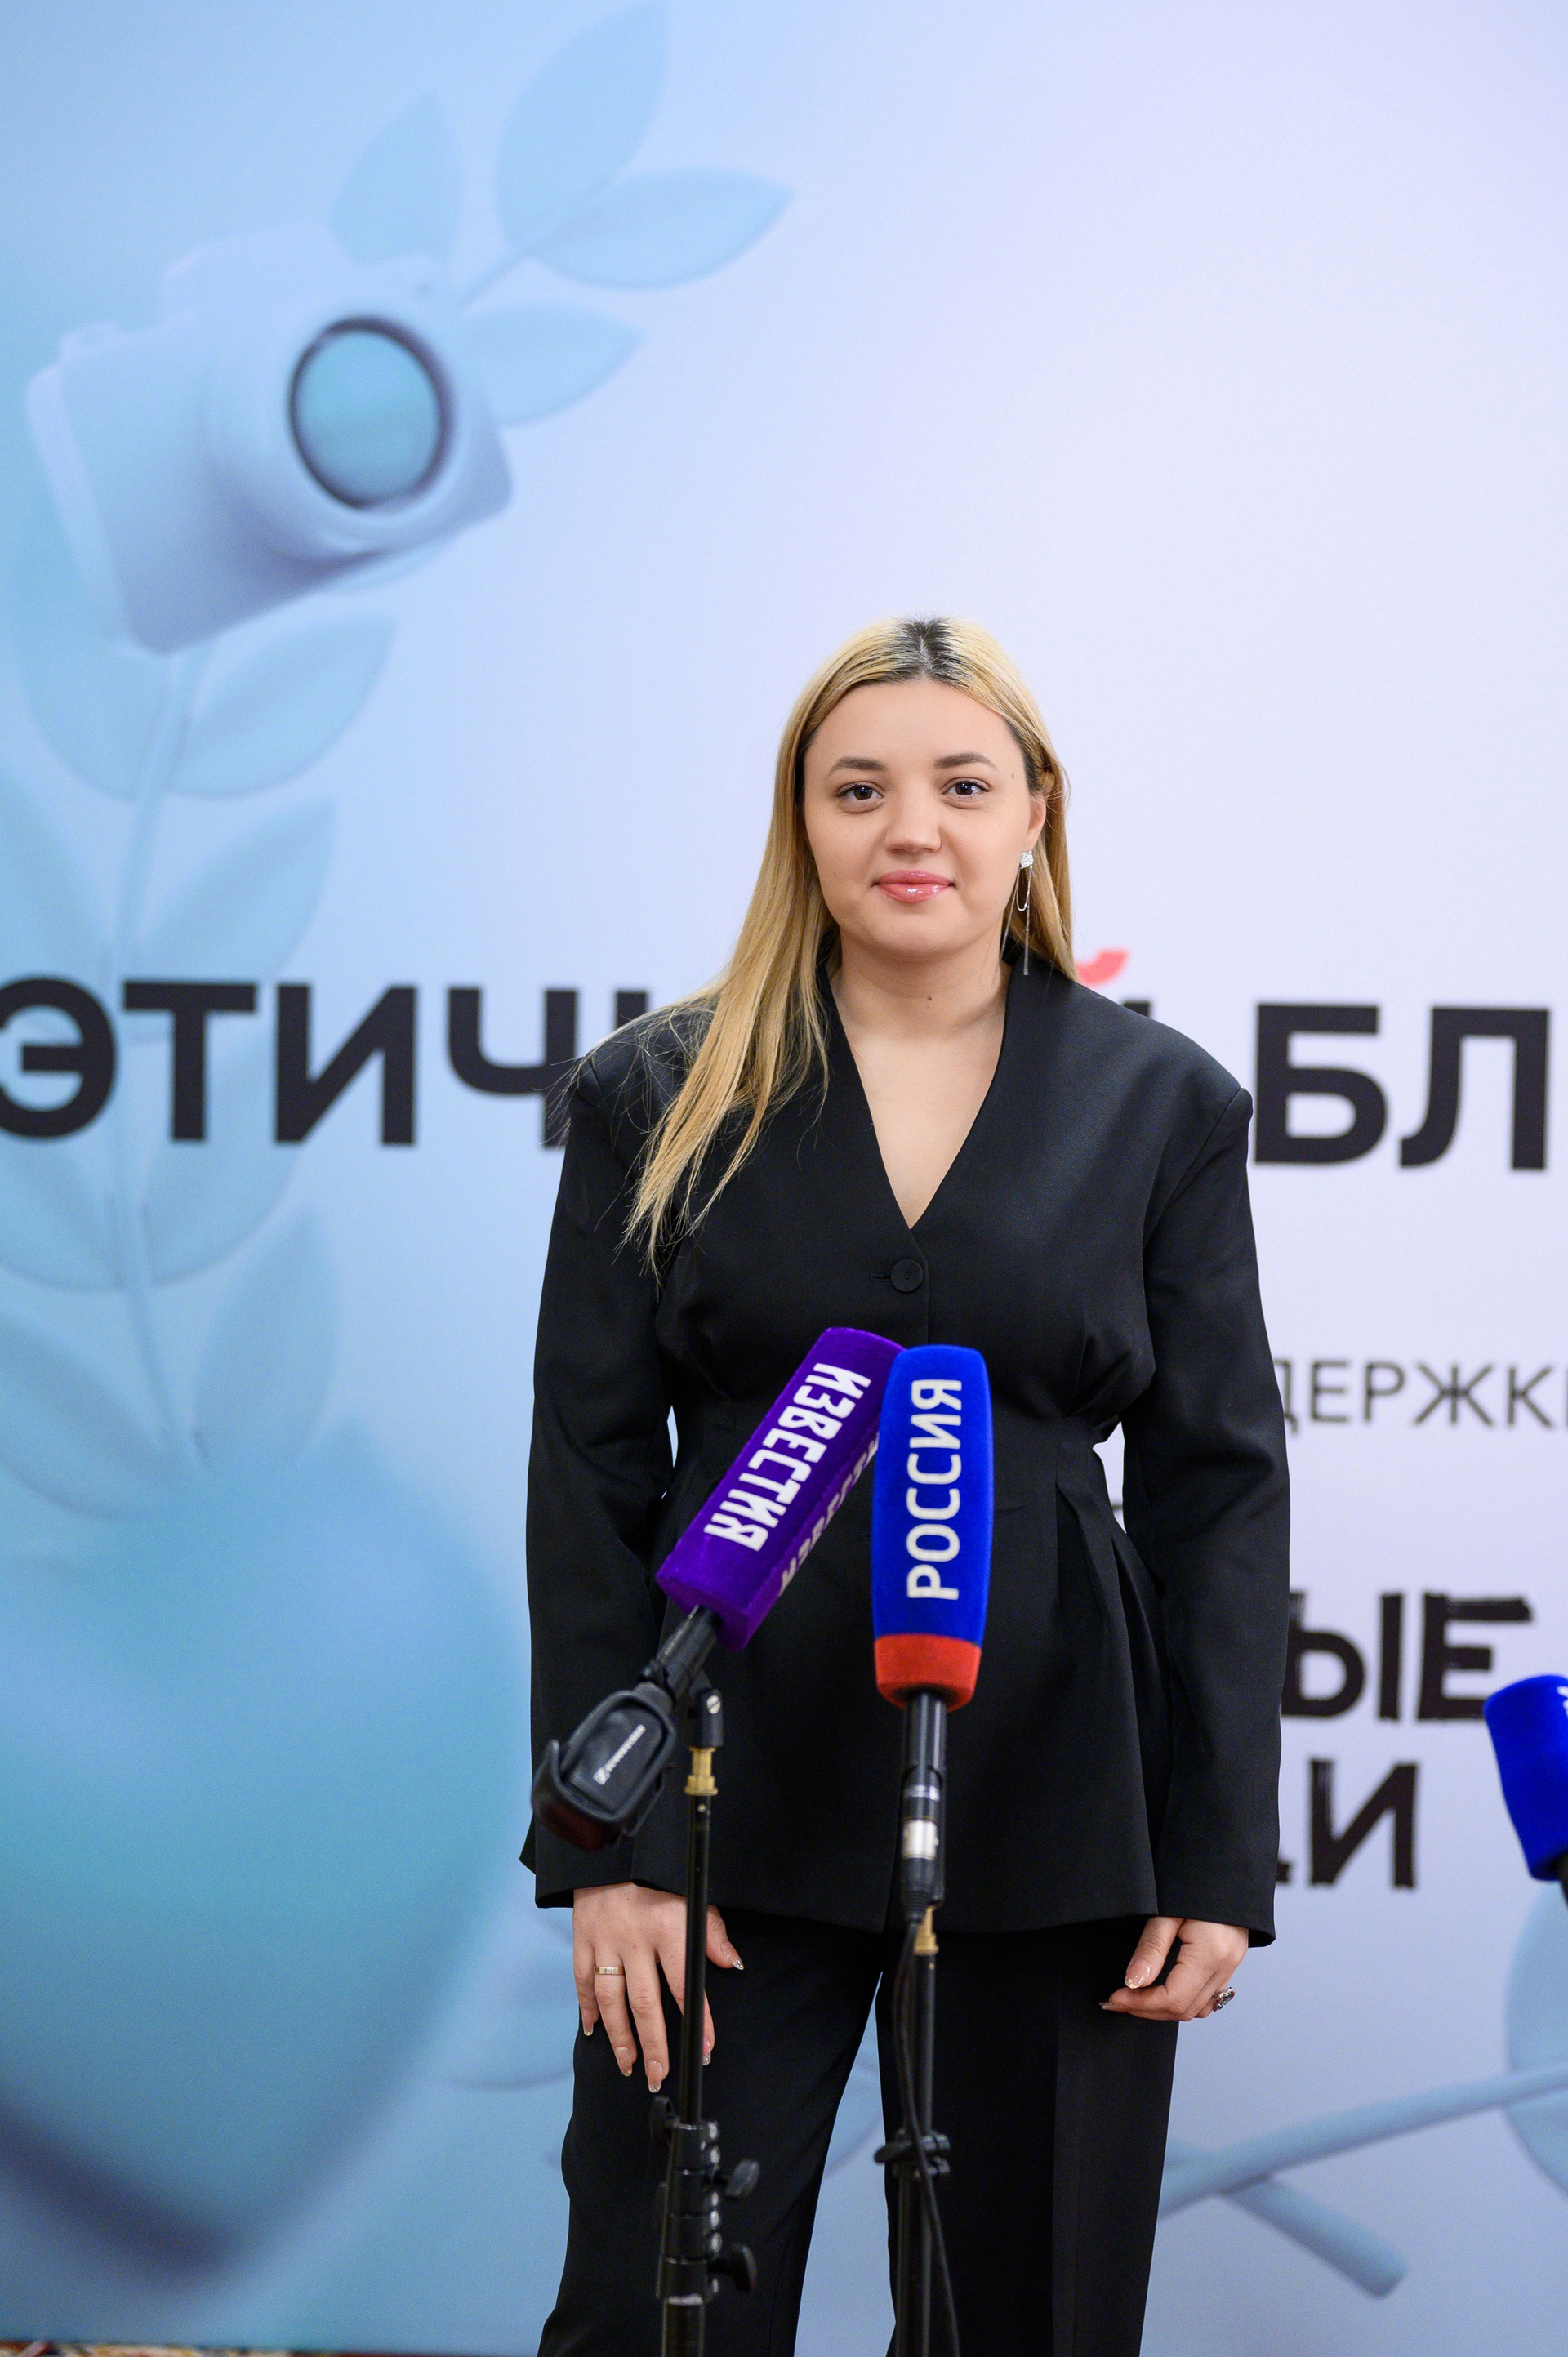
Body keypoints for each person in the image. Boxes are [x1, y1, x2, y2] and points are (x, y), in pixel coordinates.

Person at [523, 617, 1290, 2356]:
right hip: (719, 1794)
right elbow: (586, 1465)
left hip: (1059, 1789)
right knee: (654, 2310)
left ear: (1035, 813)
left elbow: (1220, 1489)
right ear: (801, 821)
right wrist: (605, 1850)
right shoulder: (659, 1090)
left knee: (1025, 2311)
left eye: (961, 784)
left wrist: (1216, 1848)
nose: (911, 829)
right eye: (857, 790)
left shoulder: (1162, 1104)